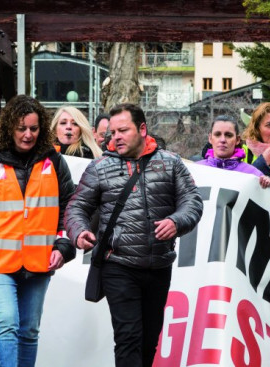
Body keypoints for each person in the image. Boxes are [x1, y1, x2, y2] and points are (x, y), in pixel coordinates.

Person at [65, 103, 203, 367]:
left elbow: (192, 202)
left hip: (159, 265)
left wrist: (177, 221)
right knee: (128, 337)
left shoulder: (171, 163)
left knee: (149, 339)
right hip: (118, 265)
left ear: (142, 129)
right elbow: (77, 207)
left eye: (123, 130)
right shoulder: (99, 167)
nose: (115, 136)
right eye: (113, 131)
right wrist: (79, 230)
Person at [0, 94, 77, 367]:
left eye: (33, 128)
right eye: (22, 128)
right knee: (7, 323)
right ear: (10, 127)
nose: (28, 134)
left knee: (29, 330)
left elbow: (70, 207)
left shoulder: (54, 161)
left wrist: (63, 245)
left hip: (39, 259)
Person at [195, 115, 270, 188]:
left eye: (228, 135)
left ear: (237, 140)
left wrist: (267, 185)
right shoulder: (195, 171)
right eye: (217, 134)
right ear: (210, 138)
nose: (222, 140)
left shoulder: (253, 174)